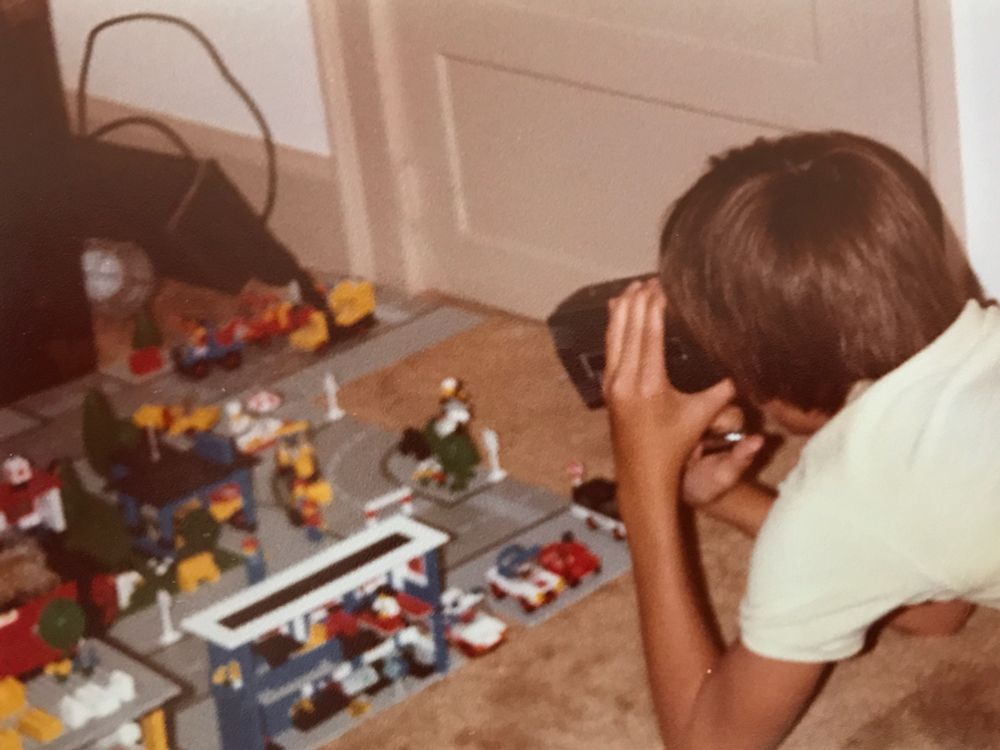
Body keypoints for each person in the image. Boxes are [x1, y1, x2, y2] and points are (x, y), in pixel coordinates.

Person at [604, 131, 994, 749]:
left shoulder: (849, 495)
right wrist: (723, 498)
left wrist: (643, 484)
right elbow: (939, 605)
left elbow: (710, 744)